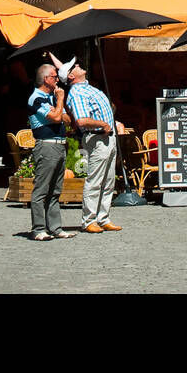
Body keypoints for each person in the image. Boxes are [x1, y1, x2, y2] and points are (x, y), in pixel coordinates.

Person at [62, 57, 123, 234]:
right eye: (75, 66)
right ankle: (89, 220)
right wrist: (103, 125)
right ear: (71, 76)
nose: (79, 65)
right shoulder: (78, 92)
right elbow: (81, 120)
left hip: (107, 138)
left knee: (108, 180)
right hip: (97, 139)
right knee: (95, 180)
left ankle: (103, 218)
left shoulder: (87, 88)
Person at [27, 62, 74, 241]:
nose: (57, 80)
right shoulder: (36, 98)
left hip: (59, 145)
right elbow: (56, 117)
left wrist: (58, 110)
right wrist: (60, 100)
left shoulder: (50, 98)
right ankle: (38, 229)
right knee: (42, 189)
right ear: (46, 79)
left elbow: (66, 118)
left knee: (55, 189)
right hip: (46, 146)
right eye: (55, 77)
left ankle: (55, 227)